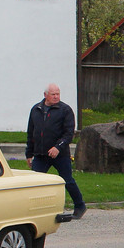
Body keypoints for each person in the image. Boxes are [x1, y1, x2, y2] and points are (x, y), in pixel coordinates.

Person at [26, 84, 86, 219]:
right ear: (45, 95)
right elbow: (31, 133)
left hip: (60, 154)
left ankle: (80, 205)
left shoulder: (65, 110)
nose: (56, 97)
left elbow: (69, 133)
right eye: (53, 94)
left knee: (67, 180)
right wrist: (29, 153)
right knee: (35, 182)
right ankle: (36, 210)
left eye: (58, 94)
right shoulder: (36, 109)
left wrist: (58, 147)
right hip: (41, 154)